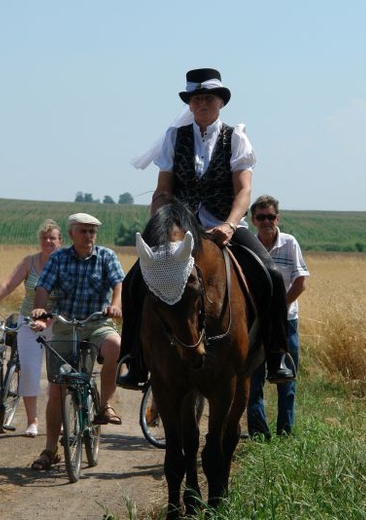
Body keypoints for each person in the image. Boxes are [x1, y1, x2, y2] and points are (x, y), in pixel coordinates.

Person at [118, 67, 294, 389]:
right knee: (134, 281)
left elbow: (243, 190)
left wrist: (229, 225)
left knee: (270, 275)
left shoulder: (235, 137)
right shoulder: (175, 138)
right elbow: (163, 190)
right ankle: (133, 359)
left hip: (222, 225)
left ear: (220, 103)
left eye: (208, 99)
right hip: (180, 227)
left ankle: (276, 353)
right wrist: (161, 219)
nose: (202, 104)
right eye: (197, 99)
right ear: (190, 104)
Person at [29, 212, 125, 471]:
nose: (89, 236)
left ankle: (105, 405)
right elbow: (43, 287)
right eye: (83, 231)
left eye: (92, 231)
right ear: (71, 234)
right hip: (65, 325)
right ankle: (50, 450)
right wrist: (39, 313)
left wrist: (115, 306)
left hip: (97, 324)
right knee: (57, 388)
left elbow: (118, 284)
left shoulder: (106, 256)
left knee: (116, 346)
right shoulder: (59, 258)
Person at [0, 220, 62, 437]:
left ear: (61, 241)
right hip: (29, 321)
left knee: (59, 375)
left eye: (52, 238)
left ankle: (58, 419)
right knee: (30, 369)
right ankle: (32, 420)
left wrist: (50, 319)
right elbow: (7, 285)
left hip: (58, 322)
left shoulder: (65, 263)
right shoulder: (30, 262)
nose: (48, 241)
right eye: (44, 238)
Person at [247, 195, 309, 438]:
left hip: (285, 322)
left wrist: (278, 308)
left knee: (286, 379)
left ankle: (285, 433)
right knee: (253, 381)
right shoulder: (249, 244)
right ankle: (258, 434)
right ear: (253, 220)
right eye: (261, 217)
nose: (266, 221)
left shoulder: (289, 243)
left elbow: (301, 281)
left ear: (277, 218)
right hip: (254, 322)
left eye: (270, 216)